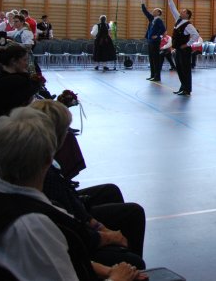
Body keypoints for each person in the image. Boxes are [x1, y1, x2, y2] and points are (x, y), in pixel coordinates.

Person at [0, 107, 141, 281]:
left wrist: (107, 271)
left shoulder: (7, 202)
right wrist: (117, 278)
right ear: (49, 159)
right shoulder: (34, 225)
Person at [31, 100, 146, 269]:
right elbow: (70, 217)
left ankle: (124, 252)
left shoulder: (43, 158)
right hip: (72, 231)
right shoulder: (46, 172)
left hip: (71, 211)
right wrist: (105, 234)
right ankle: (128, 264)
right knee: (133, 213)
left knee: (109, 191)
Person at [0, 43, 42, 120]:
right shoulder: (18, 81)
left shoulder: (0, 77)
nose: (27, 64)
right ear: (14, 61)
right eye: (24, 60)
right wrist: (27, 75)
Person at [167, 0, 199, 96]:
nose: (181, 11)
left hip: (184, 50)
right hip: (178, 49)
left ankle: (187, 89)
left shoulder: (188, 25)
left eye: (184, 11)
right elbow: (173, 9)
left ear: (188, 15)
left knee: (185, 70)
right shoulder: (178, 20)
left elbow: (196, 35)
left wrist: (187, 44)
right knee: (179, 69)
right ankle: (182, 87)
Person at [141, 0, 166, 82]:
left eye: (155, 11)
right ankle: (152, 75)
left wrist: (158, 35)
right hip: (150, 41)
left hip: (155, 41)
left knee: (156, 59)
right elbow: (145, 11)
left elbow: (163, 28)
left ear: (159, 13)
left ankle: (157, 76)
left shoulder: (159, 20)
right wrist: (143, 2)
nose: (153, 11)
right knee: (151, 58)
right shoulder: (152, 19)